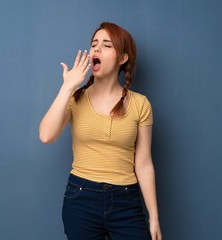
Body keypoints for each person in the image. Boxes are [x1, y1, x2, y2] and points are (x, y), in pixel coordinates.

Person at [39, 22, 162, 240]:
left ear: (122, 58)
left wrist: (154, 217)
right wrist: (67, 87)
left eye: (106, 45)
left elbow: (143, 163)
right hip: (81, 198)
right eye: (94, 44)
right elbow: (46, 136)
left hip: (127, 200)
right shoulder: (74, 98)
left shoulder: (140, 104)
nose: (96, 49)